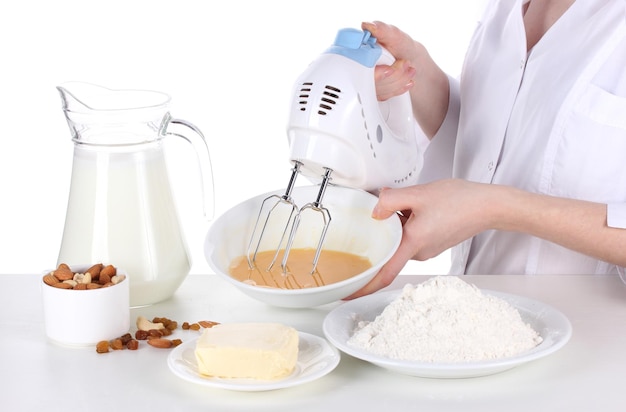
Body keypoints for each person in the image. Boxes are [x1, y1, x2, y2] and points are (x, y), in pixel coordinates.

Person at [347, 0, 626, 299]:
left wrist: (493, 208)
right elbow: (491, 145)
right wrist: (415, 70)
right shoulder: (503, 7)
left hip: (591, 331)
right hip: (471, 312)